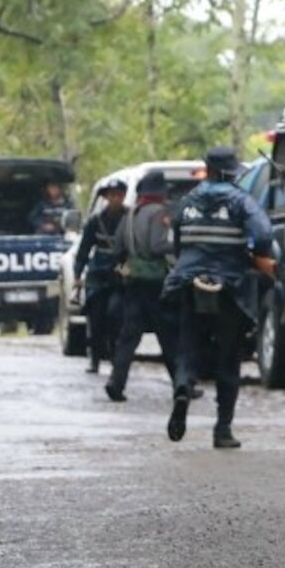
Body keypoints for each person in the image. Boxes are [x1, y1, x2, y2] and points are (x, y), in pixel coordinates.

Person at [163, 146, 273, 448]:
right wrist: (255, 256)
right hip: (230, 288)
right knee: (229, 358)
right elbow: (263, 236)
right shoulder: (242, 201)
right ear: (229, 172)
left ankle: (183, 387)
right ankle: (222, 429)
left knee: (187, 346)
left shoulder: (186, 202)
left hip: (188, 283)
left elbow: (177, 244)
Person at [104, 170, 179, 403]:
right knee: (168, 335)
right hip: (155, 282)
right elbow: (157, 246)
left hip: (133, 281)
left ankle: (116, 382)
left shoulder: (130, 214)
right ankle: (182, 385)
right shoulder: (160, 213)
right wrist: (177, 246)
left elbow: (117, 249)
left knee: (128, 336)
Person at [74, 178, 128, 375]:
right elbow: (83, 250)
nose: (116, 199)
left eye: (119, 195)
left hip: (119, 275)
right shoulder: (96, 221)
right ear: (106, 197)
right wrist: (78, 275)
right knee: (95, 320)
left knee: (116, 317)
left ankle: (115, 357)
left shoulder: (129, 218)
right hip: (98, 275)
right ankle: (95, 358)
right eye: (112, 195)